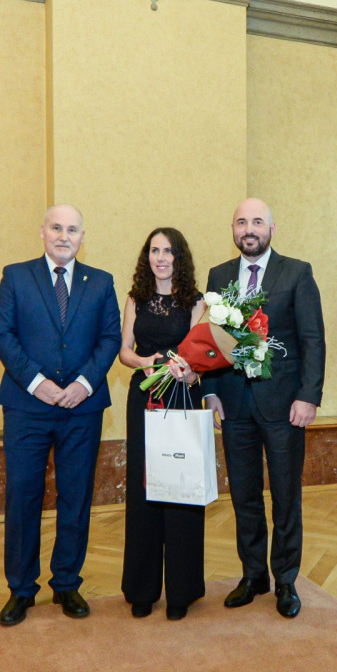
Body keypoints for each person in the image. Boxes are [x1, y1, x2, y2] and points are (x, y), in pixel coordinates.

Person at [0, 204, 121, 627]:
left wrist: (83, 384)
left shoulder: (101, 283)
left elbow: (110, 338)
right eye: (56, 228)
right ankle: (21, 589)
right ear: (42, 232)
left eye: (73, 230)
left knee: (76, 496)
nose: (64, 236)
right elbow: (2, 334)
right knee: (23, 495)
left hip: (82, 408)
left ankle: (66, 582)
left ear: (84, 236)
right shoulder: (15, 276)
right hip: (27, 407)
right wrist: (36, 383)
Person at [202, 198, 325, 618]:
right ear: (233, 229)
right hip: (234, 406)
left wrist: (309, 396)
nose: (248, 229)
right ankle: (253, 575)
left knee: (285, 496)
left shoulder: (297, 272)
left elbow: (313, 339)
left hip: (284, 405)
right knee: (244, 495)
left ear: (273, 227)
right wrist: (210, 391)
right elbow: (211, 338)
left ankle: (286, 580)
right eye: (241, 222)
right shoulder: (219, 275)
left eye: (257, 222)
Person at [118, 228, 208, 620]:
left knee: (181, 489)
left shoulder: (197, 301)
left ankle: (181, 593)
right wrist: (146, 362)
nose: (161, 257)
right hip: (143, 397)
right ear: (147, 257)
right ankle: (142, 589)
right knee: (144, 489)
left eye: (168, 251)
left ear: (180, 257)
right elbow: (124, 352)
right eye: (154, 250)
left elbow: (204, 355)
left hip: (181, 397)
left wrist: (192, 373)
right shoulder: (135, 298)